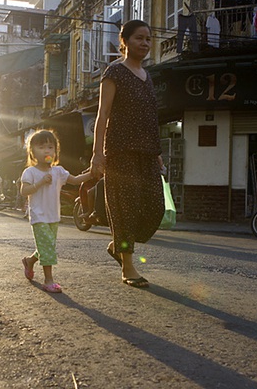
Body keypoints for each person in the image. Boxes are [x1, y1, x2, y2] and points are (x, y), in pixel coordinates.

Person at [90, 20, 165, 288]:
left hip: (146, 153)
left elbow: (150, 117)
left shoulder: (148, 76)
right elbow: (103, 115)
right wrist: (97, 153)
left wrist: (156, 151)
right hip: (120, 151)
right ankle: (128, 267)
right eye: (139, 38)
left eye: (148, 39)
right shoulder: (114, 72)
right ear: (125, 41)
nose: (144, 43)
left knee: (154, 207)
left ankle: (117, 245)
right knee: (125, 210)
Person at [20, 129, 92, 293]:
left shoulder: (58, 171)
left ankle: (30, 261)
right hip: (39, 216)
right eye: (41, 147)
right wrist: (40, 182)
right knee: (48, 247)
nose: (47, 151)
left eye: (50, 147)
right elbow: (24, 191)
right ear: (32, 152)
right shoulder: (30, 172)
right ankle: (48, 280)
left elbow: (74, 180)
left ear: (56, 151)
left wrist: (91, 174)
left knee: (46, 246)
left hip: (53, 216)